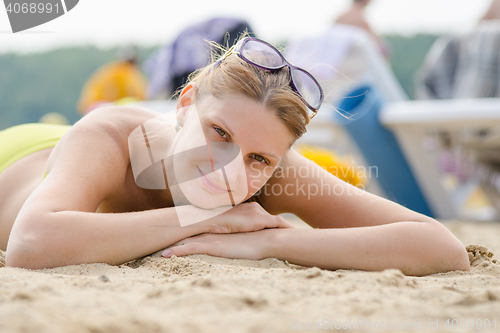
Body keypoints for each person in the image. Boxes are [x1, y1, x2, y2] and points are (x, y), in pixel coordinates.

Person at [1, 36, 469, 276]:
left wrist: (270, 242)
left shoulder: (271, 168)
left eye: (259, 160)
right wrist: (203, 220)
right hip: (22, 155)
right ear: (186, 104)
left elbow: (442, 249)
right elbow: (31, 245)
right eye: (218, 132)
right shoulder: (110, 137)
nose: (228, 169)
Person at [77, 46, 148, 115]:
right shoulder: (128, 71)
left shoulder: (111, 69)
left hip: (91, 107)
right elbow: (138, 93)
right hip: (104, 108)